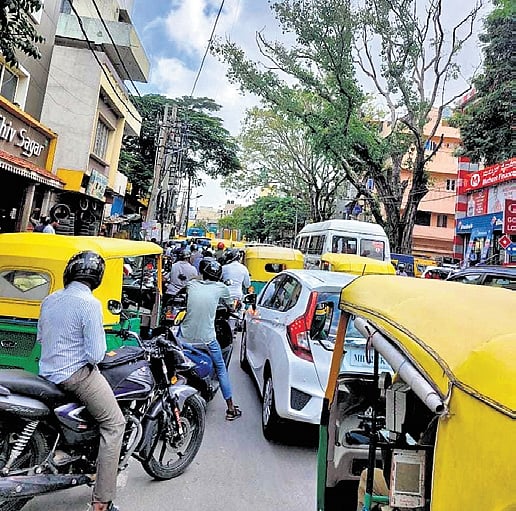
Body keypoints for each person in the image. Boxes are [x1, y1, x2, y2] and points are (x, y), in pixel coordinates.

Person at [37, 251, 125, 511]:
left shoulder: (50, 300)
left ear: (69, 273)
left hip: (46, 373)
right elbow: (96, 355)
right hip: (75, 376)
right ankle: (102, 501)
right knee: (114, 424)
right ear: (97, 278)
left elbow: (41, 337)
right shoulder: (90, 304)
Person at [179, 259, 242, 421]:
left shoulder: (192, 284)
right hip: (207, 339)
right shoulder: (222, 288)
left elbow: (182, 295)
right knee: (221, 368)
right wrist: (232, 307)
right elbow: (231, 307)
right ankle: (230, 408)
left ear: (203, 273)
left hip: (184, 337)